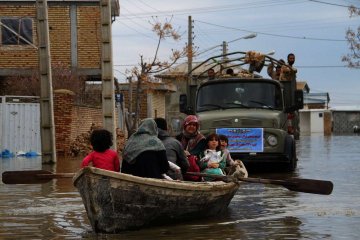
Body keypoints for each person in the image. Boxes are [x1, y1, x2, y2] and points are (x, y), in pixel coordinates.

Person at [176, 115, 206, 181]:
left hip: (196, 165)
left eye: (194, 125)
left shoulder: (201, 139)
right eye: (189, 124)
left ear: (197, 127)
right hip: (181, 163)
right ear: (185, 126)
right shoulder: (179, 137)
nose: (192, 127)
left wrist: (186, 153)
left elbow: (196, 152)